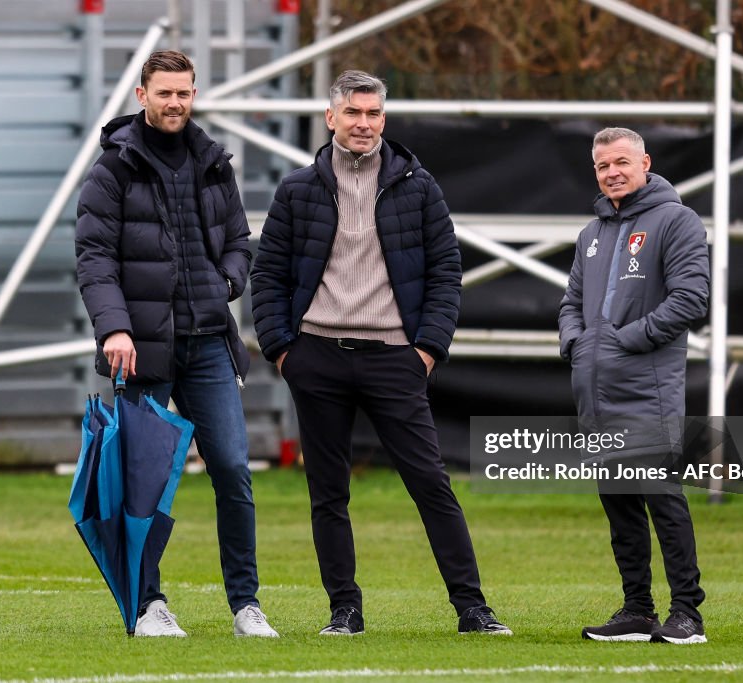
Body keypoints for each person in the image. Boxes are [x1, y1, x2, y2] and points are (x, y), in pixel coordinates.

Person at [250, 70, 510, 637]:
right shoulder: (297, 189)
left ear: (384, 120)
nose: (363, 123)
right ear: (331, 117)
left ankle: (472, 608)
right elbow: (266, 274)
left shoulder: (419, 186)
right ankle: (344, 610)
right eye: (353, 113)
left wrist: (426, 350)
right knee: (328, 494)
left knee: (430, 484)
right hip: (315, 355)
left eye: (372, 114)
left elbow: (447, 272)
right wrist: (283, 351)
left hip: (396, 358)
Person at [75, 50, 277, 639]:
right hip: (142, 350)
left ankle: (246, 606)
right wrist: (114, 327)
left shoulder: (214, 162)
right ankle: (148, 605)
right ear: (142, 95)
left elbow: (240, 240)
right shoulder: (111, 170)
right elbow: (93, 259)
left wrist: (229, 283)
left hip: (210, 343)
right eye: (164, 93)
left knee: (234, 470)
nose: (175, 103)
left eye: (184, 93)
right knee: (145, 483)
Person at [558, 127, 709, 645]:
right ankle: (637, 610)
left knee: (663, 501)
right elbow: (571, 303)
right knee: (619, 502)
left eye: (622, 162)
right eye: (603, 166)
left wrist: (626, 340)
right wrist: (577, 345)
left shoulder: (678, 220)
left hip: (648, 393)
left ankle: (687, 613)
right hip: (595, 395)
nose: (612, 173)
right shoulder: (591, 234)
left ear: (646, 162)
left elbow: (691, 299)